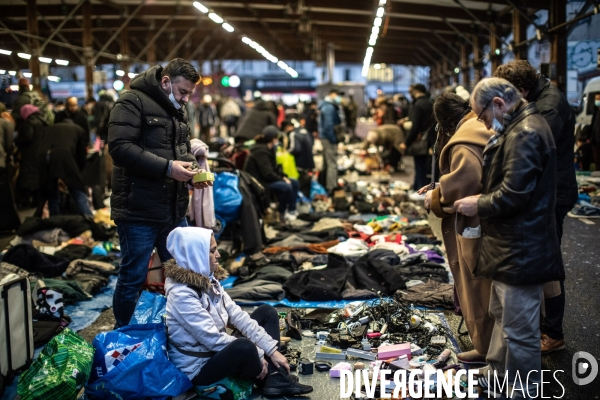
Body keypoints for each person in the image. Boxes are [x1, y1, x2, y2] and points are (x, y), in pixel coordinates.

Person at [454, 78, 563, 398]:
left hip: (523, 247)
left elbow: (515, 194)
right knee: (503, 315)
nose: (484, 123)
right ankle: (499, 372)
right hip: (510, 244)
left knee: (520, 328)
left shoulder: (526, 133)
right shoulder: (516, 128)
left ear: (499, 104)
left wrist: (478, 202)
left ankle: (524, 388)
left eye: (483, 116)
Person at [108, 58, 209, 328]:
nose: (186, 99)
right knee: (133, 276)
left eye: (190, 93)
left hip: (172, 209)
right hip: (137, 208)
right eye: (183, 92)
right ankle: (124, 335)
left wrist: (192, 172)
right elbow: (120, 148)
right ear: (166, 82)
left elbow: (181, 148)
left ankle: (188, 331)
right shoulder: (131, 102)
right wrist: (167, 168)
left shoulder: (177, 109)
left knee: (184, 274)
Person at [164, 227, 312, 396]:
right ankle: (272, 377)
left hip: (214, 353)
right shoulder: (181, 295)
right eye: (213, 251)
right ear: (196, 254)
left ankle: (272, 377)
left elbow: (238, 315)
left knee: (267, 312)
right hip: (198, 367)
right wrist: (259, 353)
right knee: (244, 347)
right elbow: (212, 339)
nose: (219, 255)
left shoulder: (209, 280)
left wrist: (272, 351)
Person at [495, 60, 577, 354]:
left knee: (548, 264)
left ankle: (553, 333)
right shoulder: (539, 97)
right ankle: (545, 325)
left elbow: (531, 153)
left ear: (521, 89)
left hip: (553, 193)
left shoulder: (548, 108)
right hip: (549, 190)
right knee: (544, 261)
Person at [422, 92, 494, 365]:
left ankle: (487, 349)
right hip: (491, 220)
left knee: (476, 285)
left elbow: (466, 182)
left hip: (477, 224)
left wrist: (436, 197)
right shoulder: (477, 127)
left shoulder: (464, 140)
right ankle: (491, 349)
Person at [244, 125, 299, 221]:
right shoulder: (260, 151)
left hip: (267, 179)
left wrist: (283, 177)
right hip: (260, 182)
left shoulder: (268, 150)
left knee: (294, 182)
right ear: (273, 139)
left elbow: (273, 170)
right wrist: (282, 179)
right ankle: (281, 213)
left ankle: (291, 210)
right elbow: (267, 173)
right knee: (286, 187)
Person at [38, 120, 92, 217]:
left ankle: (55, 222)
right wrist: (77, 172)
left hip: (42, 157)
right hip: (62, 155)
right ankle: (88, 220)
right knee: (78, 190)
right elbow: (81, 156)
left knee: (52, 194)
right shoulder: (79, 130)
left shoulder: (48, 129)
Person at [400, 84, 434, 191]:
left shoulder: (418, 105)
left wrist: (406, 142)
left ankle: (419, 189)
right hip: (429, 138)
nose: (410, 93)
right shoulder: (430, 103)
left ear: (416, 91)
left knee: (420, 166)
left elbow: (415, 125)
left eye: (411, 91)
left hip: (420, 140)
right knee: (423, 166)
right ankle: (417, 187)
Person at [15, 104, 47, 208]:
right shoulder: (43, 121)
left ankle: (25, 201)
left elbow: (27, 137)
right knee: (39, 177)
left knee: (26, 178)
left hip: (30, 153)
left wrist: (17, 140)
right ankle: (37, 201)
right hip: (42, 152)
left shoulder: (29, 122)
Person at [318, 88, 342, 192]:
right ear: (332, 94)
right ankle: (331, 187)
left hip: (325, 137)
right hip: (328, 138)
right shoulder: (328, 107)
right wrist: (333, 139)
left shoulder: (327, 106)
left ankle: (325, 184)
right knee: (332, 163)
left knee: (327, 162)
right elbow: (328, 125)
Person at [0, 107, 20, 231]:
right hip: (0, 165)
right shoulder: (5, 124)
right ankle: (7, 225)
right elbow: (9, 145)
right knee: (4, 196)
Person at [283, 119, 314, 197]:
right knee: (307, 184)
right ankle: (307, 200)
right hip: (310, 161)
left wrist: (286, 152)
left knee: (300, 183)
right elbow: (311, 143)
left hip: (300, 162)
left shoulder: (293, 134)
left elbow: (295, 148)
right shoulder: (305, 131)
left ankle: (300, 201)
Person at [591, 93, 600, 170]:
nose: (597, 101)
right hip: (595, 139)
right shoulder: (596, 111)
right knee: (596, 160)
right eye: (596, 99)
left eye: (598, 99)